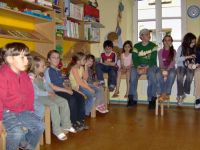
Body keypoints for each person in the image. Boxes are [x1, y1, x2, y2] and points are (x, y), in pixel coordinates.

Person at [0, 42, 44, 150]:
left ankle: (27, 146)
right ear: (10, 59)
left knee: (40, 126)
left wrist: (30, 109)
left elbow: (29, 93)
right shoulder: (2, 75)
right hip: (6, 111)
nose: (27, 60)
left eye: (27, 57)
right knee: (17, 132)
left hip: (22, 110)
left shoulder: (23, 74)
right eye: (22, 57)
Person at [29, 56, 76, 141]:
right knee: (53, 105)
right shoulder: (31, 77)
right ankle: (57, 130)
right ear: (35, 67)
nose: (45, 67)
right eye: (43, 66)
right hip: (37, 97)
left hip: (46, 94)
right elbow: (35, 92)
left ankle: (66, 125)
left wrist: (51, 92)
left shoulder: (41, 75)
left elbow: (46, 86)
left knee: (64, 101)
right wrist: (47, 93)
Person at [45, 50, 88, 131]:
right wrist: (67, 91)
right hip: (54, 92)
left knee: (80, 96)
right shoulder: (48, 70)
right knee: (72, 99)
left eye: (58, 58)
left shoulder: (58, 70)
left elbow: (63, 83)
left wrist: (69, 88)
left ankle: (81, 120)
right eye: (53, 58)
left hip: (62, 89)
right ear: (49, 60)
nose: (56, 60)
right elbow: (53, 87)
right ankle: (73, 122)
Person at [128, 28, 158, 109]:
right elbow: (134, 58)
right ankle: (132, 99)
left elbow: (153, 59)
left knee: (152, 76)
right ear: (141, 36)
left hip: (151, 65)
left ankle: (151, 99)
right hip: (138, 65)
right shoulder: (136, 46)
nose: (149, 36)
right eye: (146, 34)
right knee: (133, 75)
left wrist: (145, 68)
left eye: (149, 34)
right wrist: (138, 67)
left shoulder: (153, 46)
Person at [176, 33, 196, 105]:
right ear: (188, 41)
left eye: (194, 42)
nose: (193, 43)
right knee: (180, 77)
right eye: (192, 42)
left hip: (190, 66)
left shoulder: (195, 48)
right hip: (181, 65)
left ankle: (184, 92)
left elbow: (195, 60)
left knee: (190, 75)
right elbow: (177, 59)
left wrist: (193, 64)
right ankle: (180, 95)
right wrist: (187, 57)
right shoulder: (181, 47)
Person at [156, 35, 176, 102]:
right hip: (162, 68)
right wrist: (162, 69)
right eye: (165, 40)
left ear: (171, 42)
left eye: (169, 40)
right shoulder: (160, 51)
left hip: (171, 68)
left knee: (172, 74)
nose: (167, 42)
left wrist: (167, 70)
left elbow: (173, 63)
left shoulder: (174, 51)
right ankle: (164, 93)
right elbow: (161, 63)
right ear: (163, 42)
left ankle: (165, 93)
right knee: (158, 74)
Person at [194, 35, 200, 109]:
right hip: (199, 67)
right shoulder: (197, 48)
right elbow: (197, 61)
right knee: (198, 73)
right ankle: (198, 98)